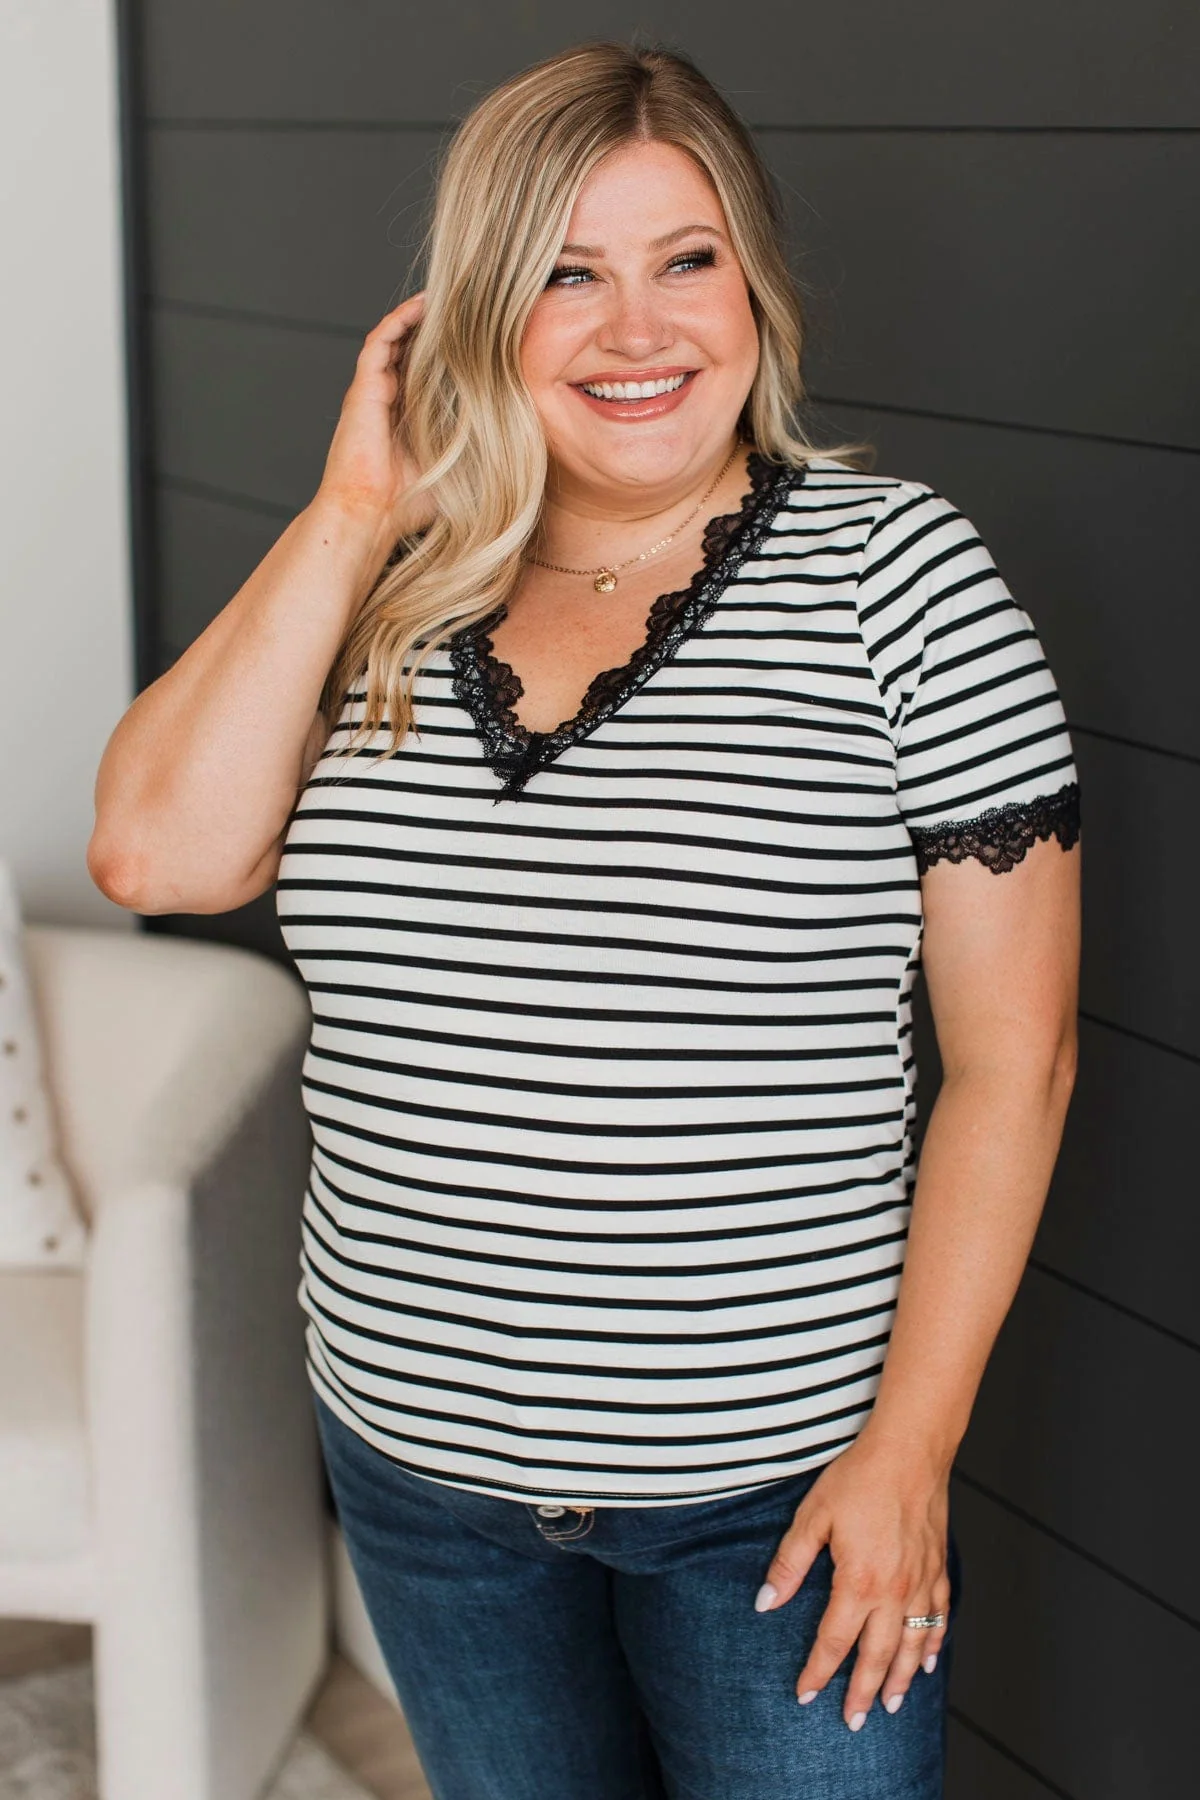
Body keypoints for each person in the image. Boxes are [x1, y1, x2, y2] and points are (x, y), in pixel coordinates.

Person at [88, 40, 1081, 1800]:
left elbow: (1017, 1059)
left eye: (684, 259)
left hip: (773, 1506)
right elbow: (156, 857)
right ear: (476, 317)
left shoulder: (899, 579)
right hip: (419, 1478)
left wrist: (911, 1454)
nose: (638, 328)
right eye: (565, 271)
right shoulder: (388, 596)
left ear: (755, 289)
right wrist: (349, 513)